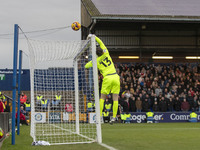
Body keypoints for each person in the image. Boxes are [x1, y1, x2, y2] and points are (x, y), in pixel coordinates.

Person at [85, 34, 120, 124]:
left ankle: (99, 117)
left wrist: (94, 59)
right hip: (115, 77)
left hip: (107, 78)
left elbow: (86, 66)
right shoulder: (106, 53)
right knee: (115, 98)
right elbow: (101, 42)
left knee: (102, 98)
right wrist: (93, 36)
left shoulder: (96, 61)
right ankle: (114, 117)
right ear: (102, 51)